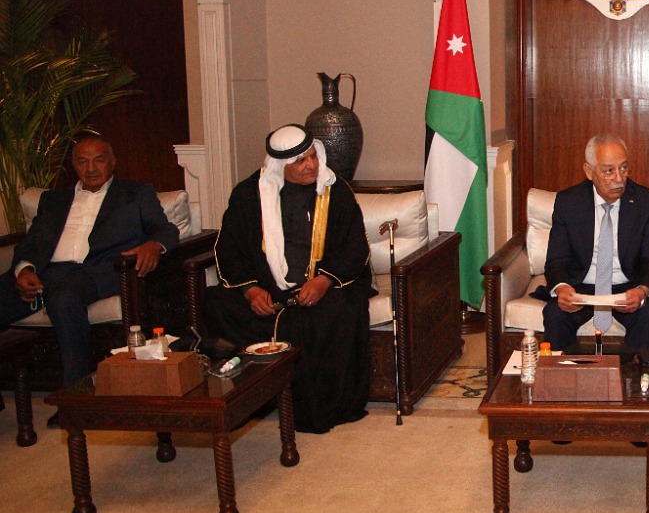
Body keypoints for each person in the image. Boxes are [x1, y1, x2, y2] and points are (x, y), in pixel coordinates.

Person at [203, 124, 374, 434]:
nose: (311, 165)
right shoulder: (248, 195)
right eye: (300, 161)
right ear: (280, 165)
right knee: (217, 304)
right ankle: (252, 401)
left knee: (335, 312)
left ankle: (319, 409)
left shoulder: (335, 191)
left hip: (322, 286)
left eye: (313, 157)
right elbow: (229, 248)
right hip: (267, 288)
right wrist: (250, 290)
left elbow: (354, 247)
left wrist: (323, 281)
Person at [0, 135, 179, 402]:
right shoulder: (53, 199)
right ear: (74, 165)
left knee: (63, 298)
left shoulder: (135, 194)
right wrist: (24, 270)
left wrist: (154, 245)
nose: (91, 168)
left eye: (99, 160)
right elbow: (32, 242)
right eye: (83, 162)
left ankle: (76, 398)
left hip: (99, 271)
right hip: (47, 273)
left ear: (113, 162)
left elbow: (165, 229)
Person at [536, 134, 649, 351]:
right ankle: (559, 372)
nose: (619, 178)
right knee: (555, 313)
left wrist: (641, 291)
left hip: (627, 287)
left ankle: (640, 371)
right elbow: (557, 259)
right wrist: (562, 288)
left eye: (624, 168)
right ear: (589, 171)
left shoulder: (645, 201)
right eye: (608, 171)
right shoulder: (568, 202)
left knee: (647, 312)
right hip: (581, 289)